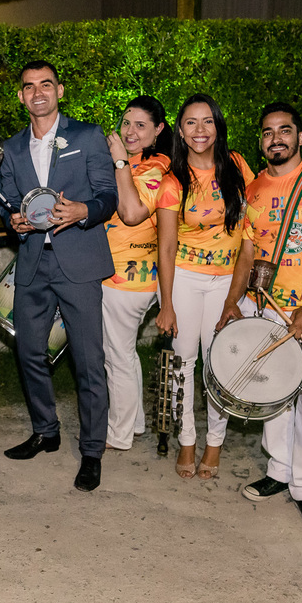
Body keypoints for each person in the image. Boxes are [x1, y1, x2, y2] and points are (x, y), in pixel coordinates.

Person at [216, 102, 302, 529]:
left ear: (301, 136)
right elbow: (248, 252)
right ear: (261, 141)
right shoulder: (254, 189)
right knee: (272, 393)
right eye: (268, 132)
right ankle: (279, 470)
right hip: (265, 308)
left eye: (285, 130)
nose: (276, 138)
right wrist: (231, 300)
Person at [0, 60, 118, 491]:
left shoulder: (87, 136)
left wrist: (85, 211)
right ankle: (46, 431)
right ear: (22, 96)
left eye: (45, 84)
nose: (38, 92)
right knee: (28, 352)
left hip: (79, 263)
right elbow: (10, 202)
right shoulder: (11, 147)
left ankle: (92, 450)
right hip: (32, 262)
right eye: (29, 87)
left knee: (88, 361)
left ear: (59, 90)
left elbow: (108, 196)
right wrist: (14, 221)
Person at [155, 95, 253, 478]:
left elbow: (250, 226)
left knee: (219, 364)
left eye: (207, 121)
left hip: (228, 280)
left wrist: (241, 287)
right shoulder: (172, 181)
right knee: (183, 363)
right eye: (191, 123)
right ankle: (186, 441)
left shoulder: (238, 166)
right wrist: (167, 303)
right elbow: (165, 246)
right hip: (186, 279)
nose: (200, 130)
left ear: (218, 127)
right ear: (180, 131)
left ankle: (214, 444)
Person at [101, 96, 171, 451]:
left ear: (158, 131)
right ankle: (137, 423)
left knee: (116, 357)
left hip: (130, 280)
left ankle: (120, 433)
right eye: (126, 122)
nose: (130, 131)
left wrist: (118, 161)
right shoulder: (132, 164)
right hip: (112, 275)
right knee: (122, 353)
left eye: (141, 125)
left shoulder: (153, 170)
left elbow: (131, 213)